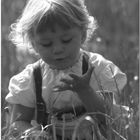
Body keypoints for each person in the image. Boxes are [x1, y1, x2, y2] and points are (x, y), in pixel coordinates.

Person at [5, 0, 127, 139]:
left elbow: (109, 118)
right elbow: (17, 122)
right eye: (47, 44)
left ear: (83, 35)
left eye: (66, 40)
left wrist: (85, 91)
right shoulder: (32, 79)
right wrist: (34, 134)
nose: (57, 49)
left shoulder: (97, 69)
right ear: (33, 44)